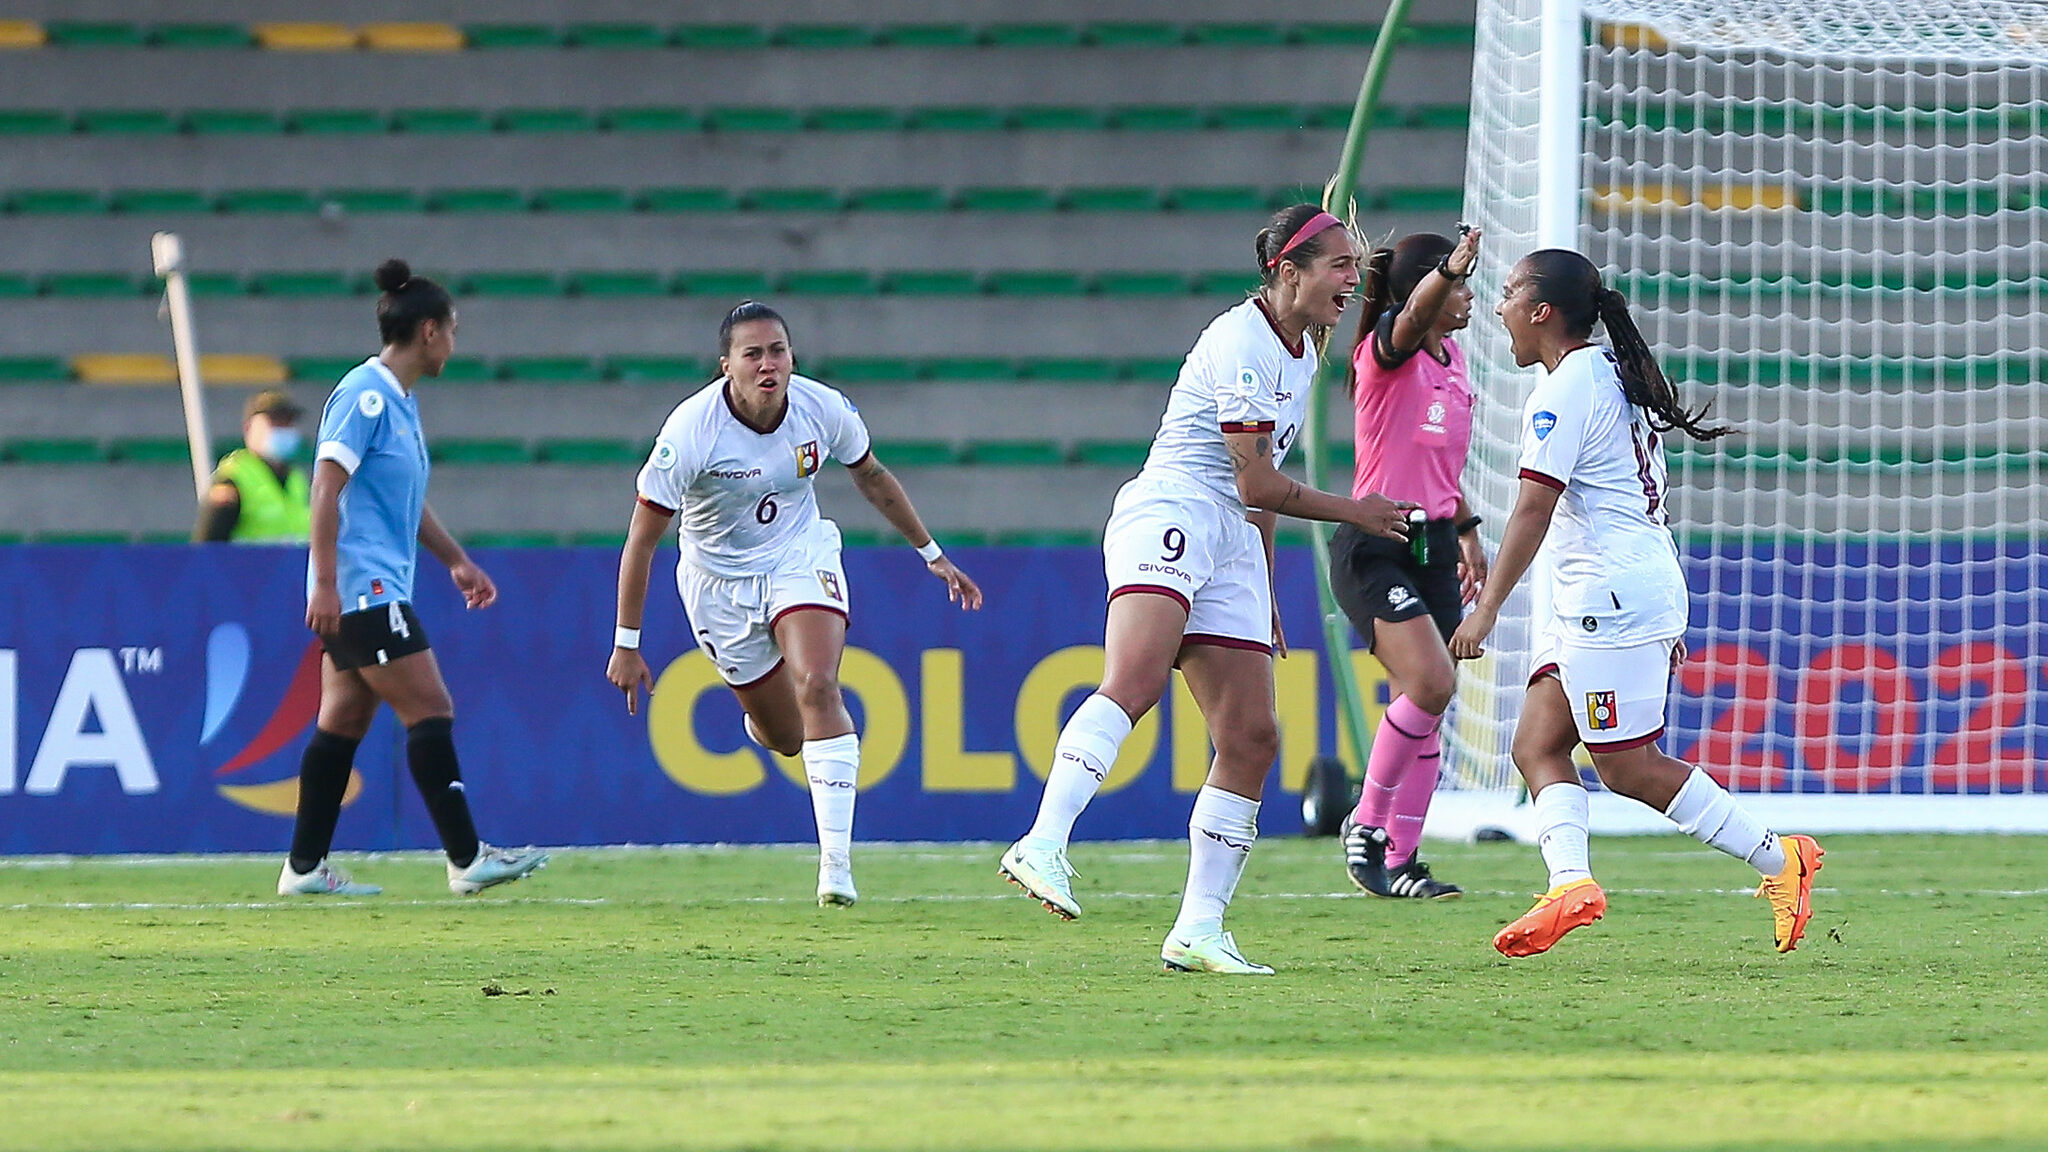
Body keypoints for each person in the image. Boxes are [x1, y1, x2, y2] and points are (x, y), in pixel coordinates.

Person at [1000, 204, 1414, 974]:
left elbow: (1254, 496)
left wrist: (1263, 584)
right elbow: (1255, 476)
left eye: (1355, 269)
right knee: (1136, 678)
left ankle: (1198, 929)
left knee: (1253, 737)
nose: (1352, 282)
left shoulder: (1302, 351)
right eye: (1338, 267)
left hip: (1229, 538)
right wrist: (1354, 512)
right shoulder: (1241, 340)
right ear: (1288, 273)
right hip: (1173, 507)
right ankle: (1043, 841)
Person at [1448, 248, 1823, 957]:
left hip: (1608, 598)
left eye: (1505, 296)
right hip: (1617, 592)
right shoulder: (1607, 375)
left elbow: (1532, 510)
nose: (1497, 311)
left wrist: (1488, 608)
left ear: (1541, 311)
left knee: (1626, 766)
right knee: (1537, 743)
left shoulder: (1564, 393)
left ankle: (1782, 860)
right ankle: (1570, 883)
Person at [606, 300, 982, 907]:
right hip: (717, 584)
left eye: (777, 350)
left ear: (791, 356)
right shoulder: (690, 432)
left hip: (797, 557)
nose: (767, 364)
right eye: (751, 354)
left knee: (817, 684)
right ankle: (769, 723)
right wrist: (627, 643)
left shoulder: (820, 407)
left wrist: (930, 553)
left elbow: (872, 475)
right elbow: (641, 541)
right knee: (785, 736)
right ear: (725, 365)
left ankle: (835, 865)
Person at [281, 258, 550, 898]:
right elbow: (325, 486)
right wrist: (324, 582)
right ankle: (466, 858)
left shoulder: (399, 403)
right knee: (431, 707)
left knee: (342, 721)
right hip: (362, 588)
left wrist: (455, 558)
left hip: (373, 585)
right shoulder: (365, 395)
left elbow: (403, 499)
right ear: (429, 331)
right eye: (452, 331)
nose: (454, 344)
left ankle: (304, 868)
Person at [1329, 226, 1489, 900]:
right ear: (1428, 287)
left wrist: (1468, 531)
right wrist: (1446, 268)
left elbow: (1439, 469)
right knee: (1431, 684)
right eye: (1459, 285)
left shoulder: (1451, 362)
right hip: (1376, 541)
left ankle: (1401, 860)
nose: (1470, 297)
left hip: (1431, 545)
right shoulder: (1383, 353)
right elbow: (1415, 315)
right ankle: (1366, 826)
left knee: (1425, 701)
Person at [193, 389, 312, 542]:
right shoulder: (234, 479)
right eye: (275, 422)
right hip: (247, 566)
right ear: (249, 428)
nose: (284, 429)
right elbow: (207, 548)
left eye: (288, 423)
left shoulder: (297, 479)